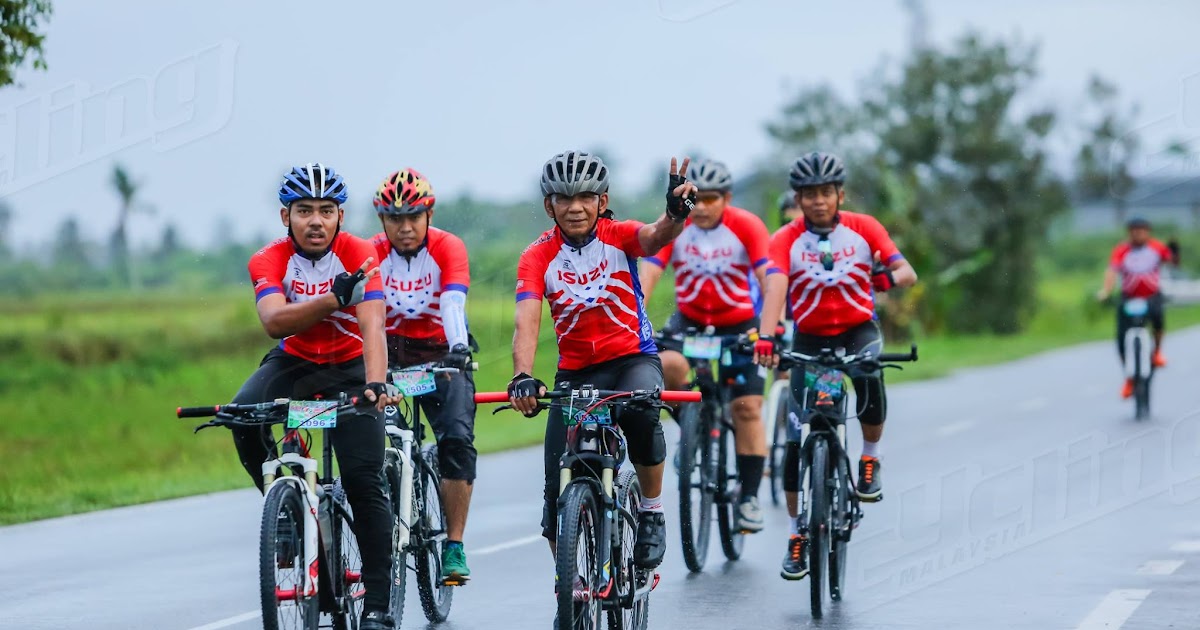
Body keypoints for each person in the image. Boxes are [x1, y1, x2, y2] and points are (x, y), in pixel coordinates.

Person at [508, 150, 696, 576]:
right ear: (549, 206)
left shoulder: (619, 235)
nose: (575, 207)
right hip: (576, 373)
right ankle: (572, 588)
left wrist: (674, 214)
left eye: (585, 198)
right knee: (556, 488)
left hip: (632, 359)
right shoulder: (536, 256)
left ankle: (651, 511)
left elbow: (654, 237)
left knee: (643, 414)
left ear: (602, 201)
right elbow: (526, 320)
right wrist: (522, 375)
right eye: (564, 198)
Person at [236, 163, 397, 629]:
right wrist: (332, 298)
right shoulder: (267, 259)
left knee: (364, 480)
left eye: (326, 210)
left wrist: (376, 383)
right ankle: (285, 513)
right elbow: (273, 321)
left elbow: (373, 325)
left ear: (340, 216)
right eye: (304, 210)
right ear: (285, 217)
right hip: (296, 362)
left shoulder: (360, 253)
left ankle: (378, 603)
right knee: (243, 415)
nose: (315, 221)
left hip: (351, 367)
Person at [752, 152, 918, 581]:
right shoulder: (785, 238)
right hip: (810, 339)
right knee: (796, 438)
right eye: (809, 194)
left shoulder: (864, 228)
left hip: (857, 332)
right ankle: (796, 534)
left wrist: (886, 277)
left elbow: (906, 271)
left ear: (840, 194)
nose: (819, 201)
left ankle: (870, 459)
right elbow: (776, 286)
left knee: (869, 374)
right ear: (798, 199)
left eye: (826, 192)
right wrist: (767, 336)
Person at [637, 158, 779, 533]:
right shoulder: (675, 226)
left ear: (727, 199)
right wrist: (635, 320)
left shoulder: (746, 225)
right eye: (695, 198)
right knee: (666, 365)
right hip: (691, 321)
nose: (701, 207)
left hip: (739, 324)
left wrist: (772, 328)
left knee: (747, 408)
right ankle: (694, 426)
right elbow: (648, 275)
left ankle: (749, 498)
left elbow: (767, 278)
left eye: (711, 199)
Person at [370, 168, 478, 583]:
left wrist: (458, 350)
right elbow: (367, 316)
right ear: (382, 220)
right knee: (372, 439)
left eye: (413, 216)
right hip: (390, 355)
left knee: (456, 440)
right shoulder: (371, 252)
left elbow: (452, 303)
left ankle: (454, 545)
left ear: (429, 215)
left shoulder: (448, 247)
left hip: (441, 354)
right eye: (395, 218)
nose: (405, 227)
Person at [1096, 216, 1180, 398]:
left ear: (1148, 232)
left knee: (1158, 320)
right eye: (1134, 231)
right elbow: (1111, 271)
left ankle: (1157, 352)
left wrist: (1175, 252)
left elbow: (1172, 261)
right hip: (1128, 297)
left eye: (1141, 231)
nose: (1137, 234)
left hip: (1151, 296)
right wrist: (1106, 291)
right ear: (1129, 233)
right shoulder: (1122, 250)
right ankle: (1129, 377)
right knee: (1121, 338)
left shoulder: (1156, 247)